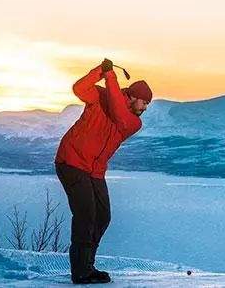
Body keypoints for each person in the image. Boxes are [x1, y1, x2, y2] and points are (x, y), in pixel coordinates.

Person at [55, 58, 152, 284]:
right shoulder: (101, 96)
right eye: (144, 102)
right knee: (86, 215)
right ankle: (80, 271)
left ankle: (88, 265)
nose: (145, 108)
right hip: (71, 161)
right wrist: (100, 71)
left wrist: (110, 77)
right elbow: (79, 88)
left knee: (103, 216)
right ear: (133, 96)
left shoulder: (133, 122)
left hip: (95, 170)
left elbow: (118, 113)